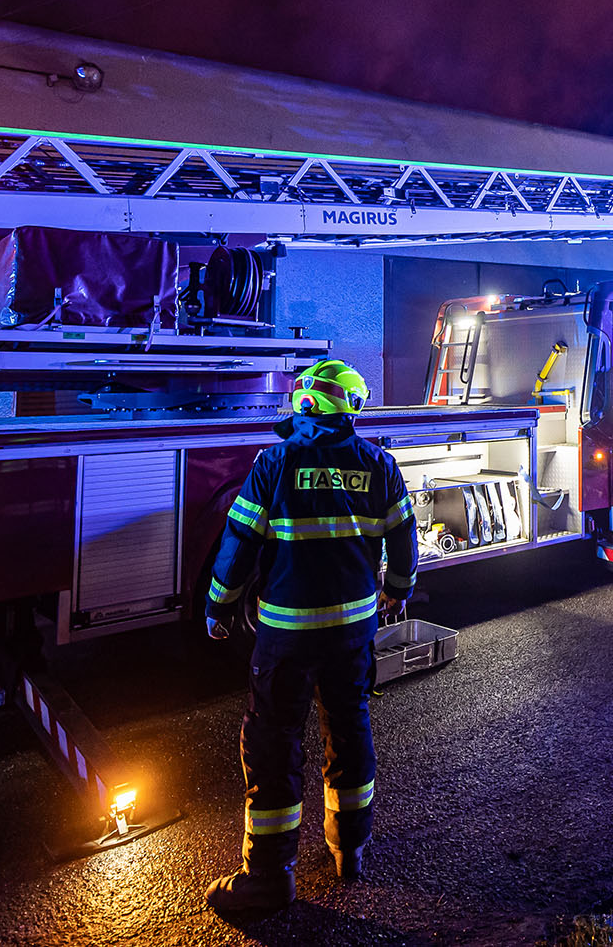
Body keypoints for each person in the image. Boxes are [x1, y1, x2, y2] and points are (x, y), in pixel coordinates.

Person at [204, 359, 418, 913]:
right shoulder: (379, 464)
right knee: (349, 729)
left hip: (287, 635)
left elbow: (239, 542)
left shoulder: (274, 464)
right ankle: (350, 850)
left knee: (274, 744)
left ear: (304, 404)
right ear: (347, 407)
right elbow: (403, 538)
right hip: (352, 632)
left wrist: (219, 606)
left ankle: (269, 877)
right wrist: (397, 591)